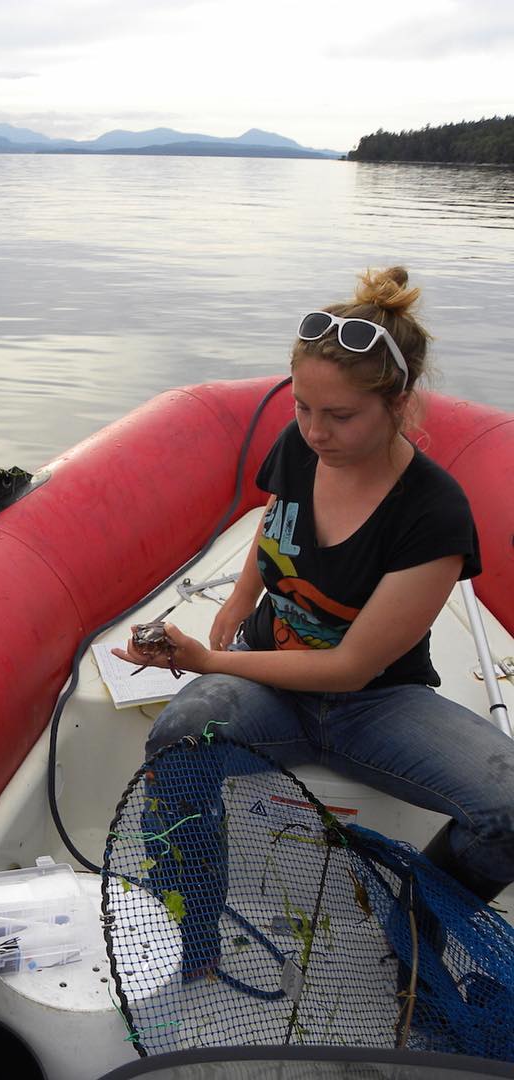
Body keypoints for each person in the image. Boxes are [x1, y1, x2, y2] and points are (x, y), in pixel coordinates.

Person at [113, 266, 514, 973]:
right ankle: (191, 932)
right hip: (268, 685)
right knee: (179, 736)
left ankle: (414, 926)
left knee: (508, 811)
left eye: (340, 416)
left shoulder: (434, 513)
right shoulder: (301, 447)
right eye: (303, 407)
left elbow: (350, 668)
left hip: (376, 703)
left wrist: (207, 661)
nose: (315, 431)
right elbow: (277, 519)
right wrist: (241, 597)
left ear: (397, 404)